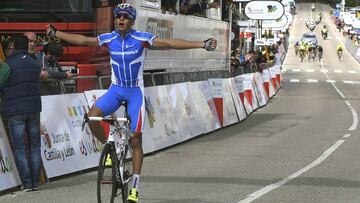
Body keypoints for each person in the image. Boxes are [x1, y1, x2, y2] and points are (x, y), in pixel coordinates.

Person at [46, 3, 216, 203]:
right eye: (118, 16)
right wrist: (56, 33)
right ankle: (108, 149)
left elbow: (170, 44)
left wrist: (201, 44)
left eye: (125, 17)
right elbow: (83, 40)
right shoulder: (109, 38)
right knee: (92, 116)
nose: (121, 19)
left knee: (135, 139)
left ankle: (135, 184)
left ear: (132, 21)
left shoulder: (142, 39)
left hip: (135, 92)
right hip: (116, 90)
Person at [0, 35, 42, 192]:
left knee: (19, 148)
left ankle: (27, 183)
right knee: (35, 146)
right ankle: (36, 182)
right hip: (34, 108)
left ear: (14, 46)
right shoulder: (34, 63)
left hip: (15, 110)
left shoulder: (8, 64)